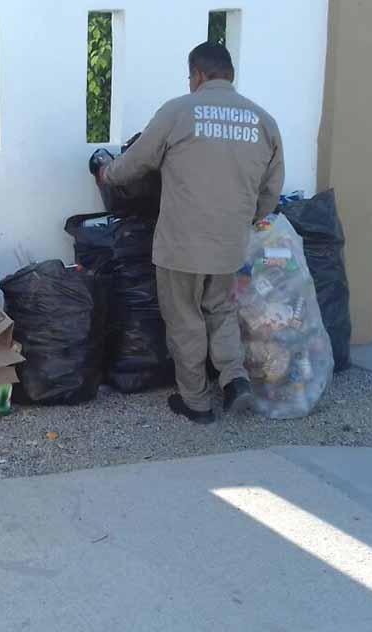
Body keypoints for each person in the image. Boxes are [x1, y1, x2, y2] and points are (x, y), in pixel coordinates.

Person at [97, 42, 284, 424]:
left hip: (181, 244)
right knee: (221, 310)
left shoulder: (178, 112)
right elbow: (270, 191)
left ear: (198, 74)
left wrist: (107, 173)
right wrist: (243, 220)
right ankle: (235, 380)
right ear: (229, 74)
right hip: (229, 243)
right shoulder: (263, 121)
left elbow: (134, 164)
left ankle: (196, 402)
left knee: (185, 319)